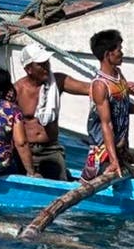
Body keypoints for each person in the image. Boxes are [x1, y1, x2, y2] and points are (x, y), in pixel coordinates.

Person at [81, 29, 134, 181]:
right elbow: (106, 125)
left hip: (120, 147)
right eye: (119, 50)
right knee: (92, 181)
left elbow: (123, 108)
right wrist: (113, 161)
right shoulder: (100, 86)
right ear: (108, 54)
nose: (122, 53)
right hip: (103, 150)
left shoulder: (119, 76)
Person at [14, 43, 90, 180]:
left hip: (50, 149)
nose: (46, 67)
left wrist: (120, 86)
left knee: (62, 184)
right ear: (28, 69)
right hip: (26, 150)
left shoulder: (58, 81)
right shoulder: (17, 90)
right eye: (41, 64)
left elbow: (89, 88)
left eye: (47, 62)